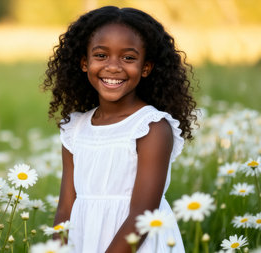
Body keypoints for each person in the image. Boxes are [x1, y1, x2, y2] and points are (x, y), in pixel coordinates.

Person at [42, 6, 197, 253]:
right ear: (84, 63)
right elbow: (65, 209)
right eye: (101, 55)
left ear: (146, 68)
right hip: (85, 241)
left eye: (128, 58)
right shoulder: (75, 129)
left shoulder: (151, 127)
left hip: (136, 245)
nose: (113, 67)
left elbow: (142, 215)